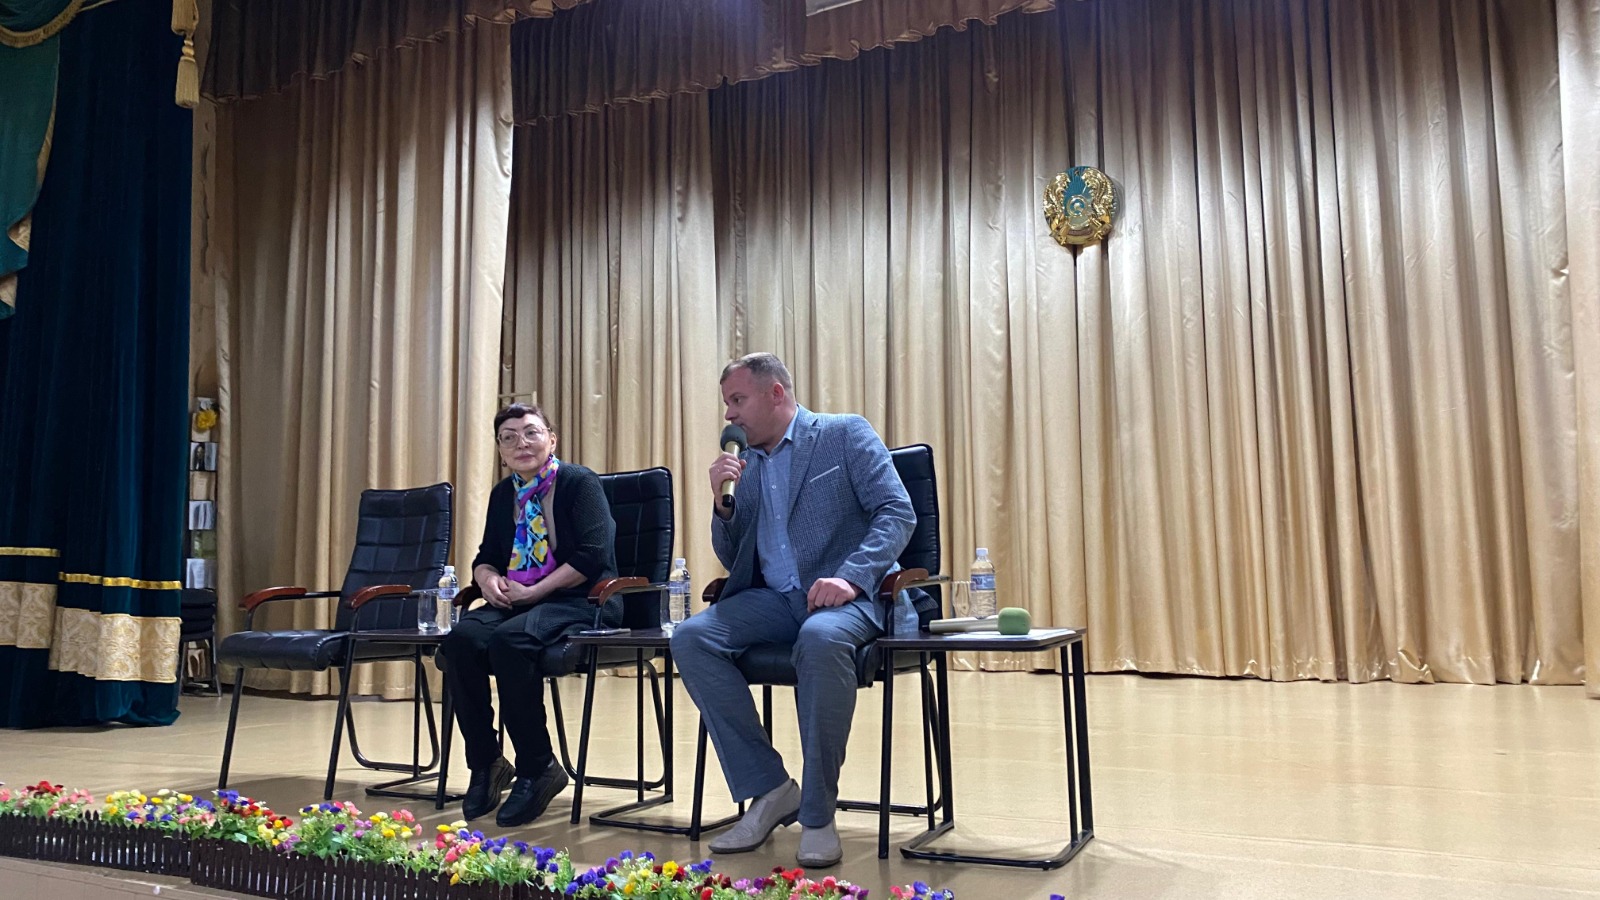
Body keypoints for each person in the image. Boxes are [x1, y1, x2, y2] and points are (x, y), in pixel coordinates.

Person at [671, 352, 917, 868]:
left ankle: (819, 813)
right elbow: (732, 555)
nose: (729, 415)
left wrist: (851, 576)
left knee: (820, 638)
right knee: (692, 637)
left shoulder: (844, 434)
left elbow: (897, 512)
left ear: (776, 393)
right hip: (775, 599)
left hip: (852, 597)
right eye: (726, 403)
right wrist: (721, 503)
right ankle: (770, 789)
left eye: (738, 400)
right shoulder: (743, 463)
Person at [438, 402, 620, 827]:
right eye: (509, 437)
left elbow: (593, 556)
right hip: (521, 601)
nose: (521, 443)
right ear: (501, 452)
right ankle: (487, 763)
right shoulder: (504, 494)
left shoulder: (578, 482)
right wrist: (487, 581)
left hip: (583, 600)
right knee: (460, 640)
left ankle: (538, 767)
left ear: (551, 439)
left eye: (531, 432)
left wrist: (534, 591)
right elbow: (486, 556)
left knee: (510, 641)